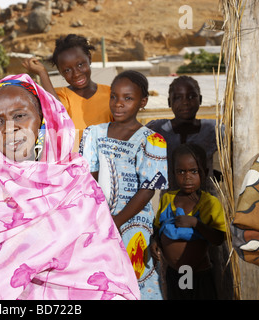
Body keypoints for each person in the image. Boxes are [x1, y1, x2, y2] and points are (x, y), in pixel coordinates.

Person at [0, 73, 140, 300]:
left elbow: (105, 265)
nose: (9, 128)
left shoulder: (76, 180)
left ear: (42, 117)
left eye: (20, 115)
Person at [79, 70, 168, 299]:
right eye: (114, 97)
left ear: (143, 102)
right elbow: (88, 178)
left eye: (128, 98)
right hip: (98, 222)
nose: (118, 104)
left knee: (138, 283)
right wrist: (100, 220)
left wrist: (116, 221)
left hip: (134, 225)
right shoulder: (93, 134)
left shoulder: (151, 140)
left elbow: (148, 189)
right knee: (101, 283)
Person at [150, 144, 226, 300]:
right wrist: (155, 240)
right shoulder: (168, 198)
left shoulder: (209, 203)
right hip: (174, 273)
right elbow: (159, 227)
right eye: (181, 172)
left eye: (194, 171)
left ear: (204, 172)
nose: (187, 177)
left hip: (198, 274)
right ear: (173, 173)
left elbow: (218, 238)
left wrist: (195, 223)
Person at [22, 34, 113, 150]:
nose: (76, 74)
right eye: (67, 70)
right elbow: (56, 111)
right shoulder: (61, 95)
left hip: (106, 162)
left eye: (80, 64)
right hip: (75, 164)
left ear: (89, 58)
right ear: (60, 72)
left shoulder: (110, 94)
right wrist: (42, 73)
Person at [146, 75, 219, 194]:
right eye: (178, 98)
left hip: (207, 205)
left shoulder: (212, 129)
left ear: (200, 99)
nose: (185, 102)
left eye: (191, 96)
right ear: (169, 102)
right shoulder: (158, 129)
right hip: (171, 204)